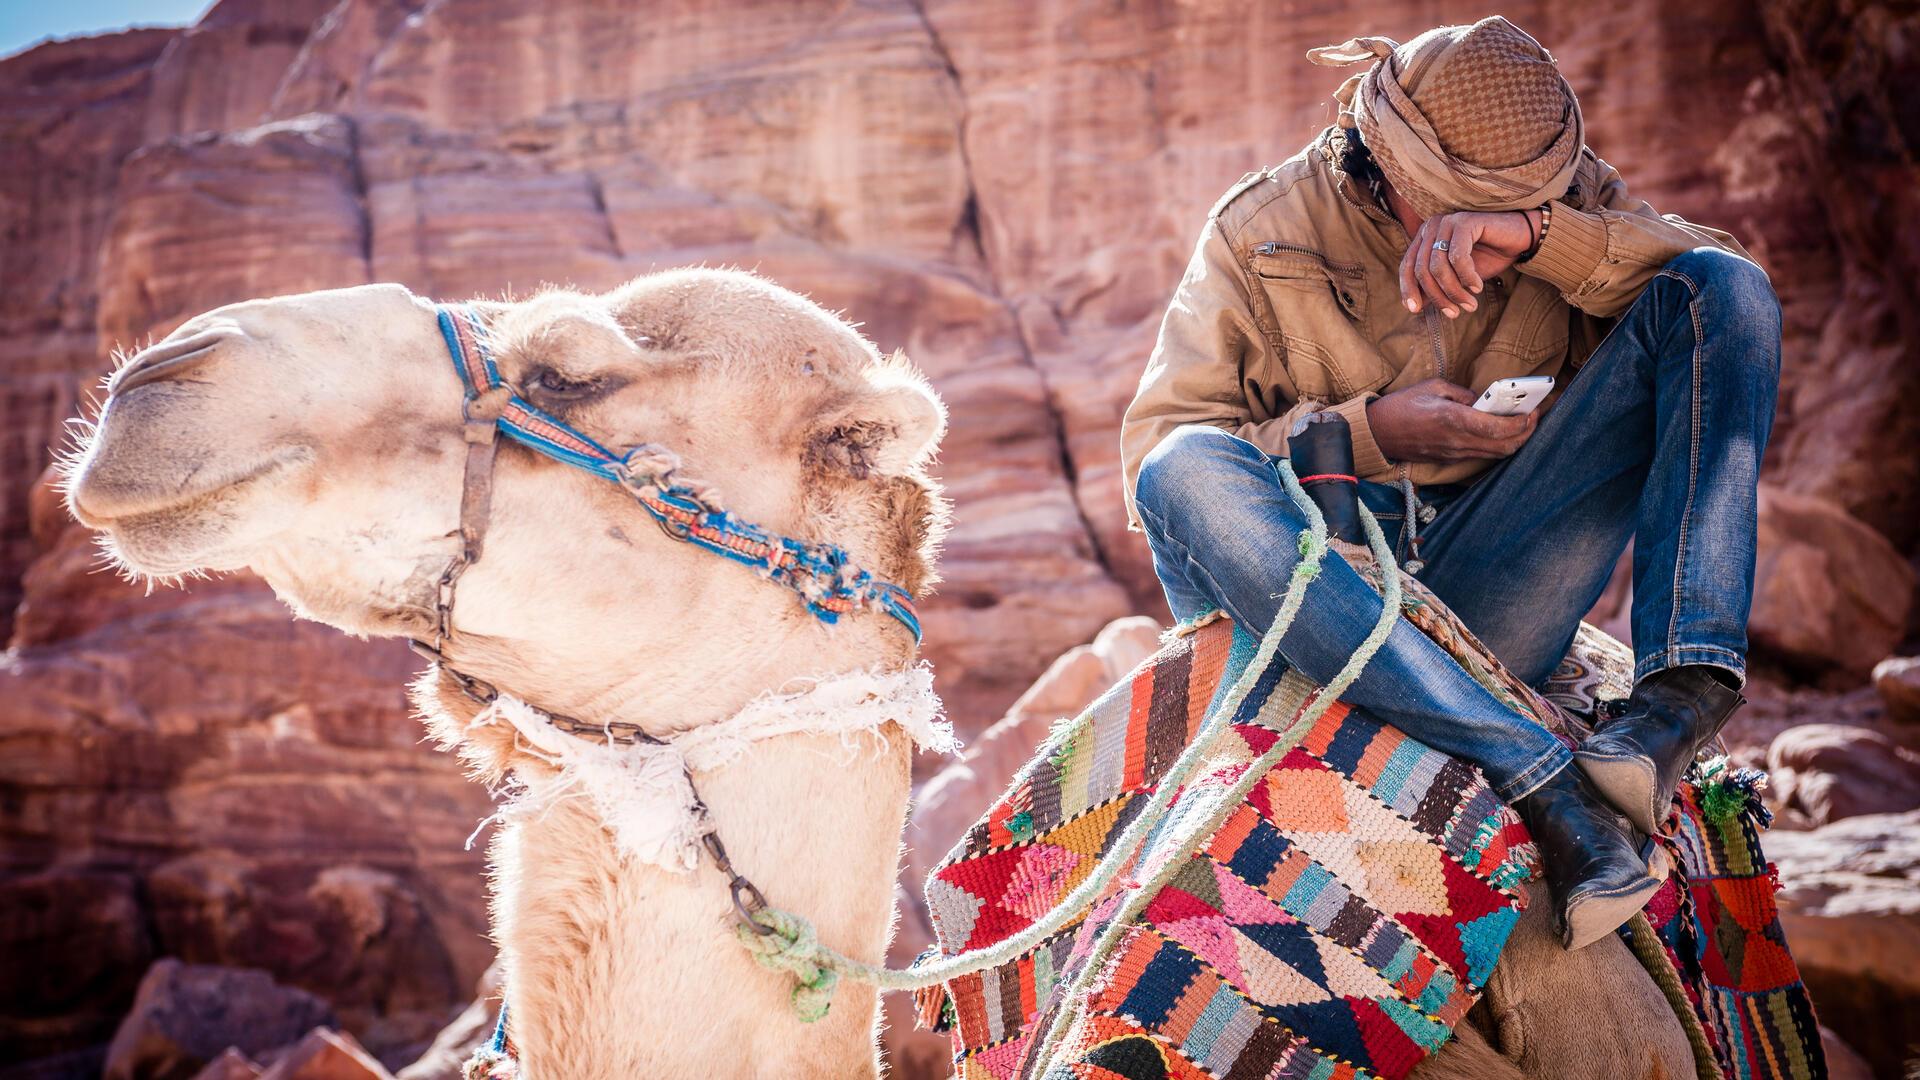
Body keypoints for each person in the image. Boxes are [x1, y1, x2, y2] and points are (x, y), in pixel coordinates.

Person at [1119, 17, 1780, 949]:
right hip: (1321, 604)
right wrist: (1375, 431)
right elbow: (1154, 456)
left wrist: (1539, 235)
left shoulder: (1564, 199)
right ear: (1386, 171)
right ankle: (1541, 780)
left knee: (1726, 289)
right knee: (1181, 465)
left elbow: (1709, 291)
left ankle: (1678, 705)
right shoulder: (1263, 228)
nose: (1475, 235)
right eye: (1455, 206)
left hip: (1489, 594)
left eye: (1512, 205)